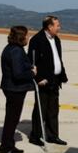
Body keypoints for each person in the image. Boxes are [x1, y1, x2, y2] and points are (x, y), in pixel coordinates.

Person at [28, 15, 68, 146]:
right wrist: (38, 79)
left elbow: (58, 59)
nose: (59, 28)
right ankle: (36, 136)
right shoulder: (37, 40)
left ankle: (52, 136)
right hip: (43, 81)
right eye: (57, 25)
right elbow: (32, 62)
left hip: (55, 80)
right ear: (49, 27)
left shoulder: (56, 40)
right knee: (41, 110)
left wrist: (62, 75)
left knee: (53, 110)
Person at [0, 26, 37, 153]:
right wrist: (32, 73)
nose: (28, 38)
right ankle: (5, 148)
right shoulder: (16, 51)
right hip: (14, 89)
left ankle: (10, 144)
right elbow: (18, 74)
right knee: (11, 119)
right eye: (26, 35)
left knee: (12, 119)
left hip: (12, 88)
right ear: (21, 37)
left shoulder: (12, 48)